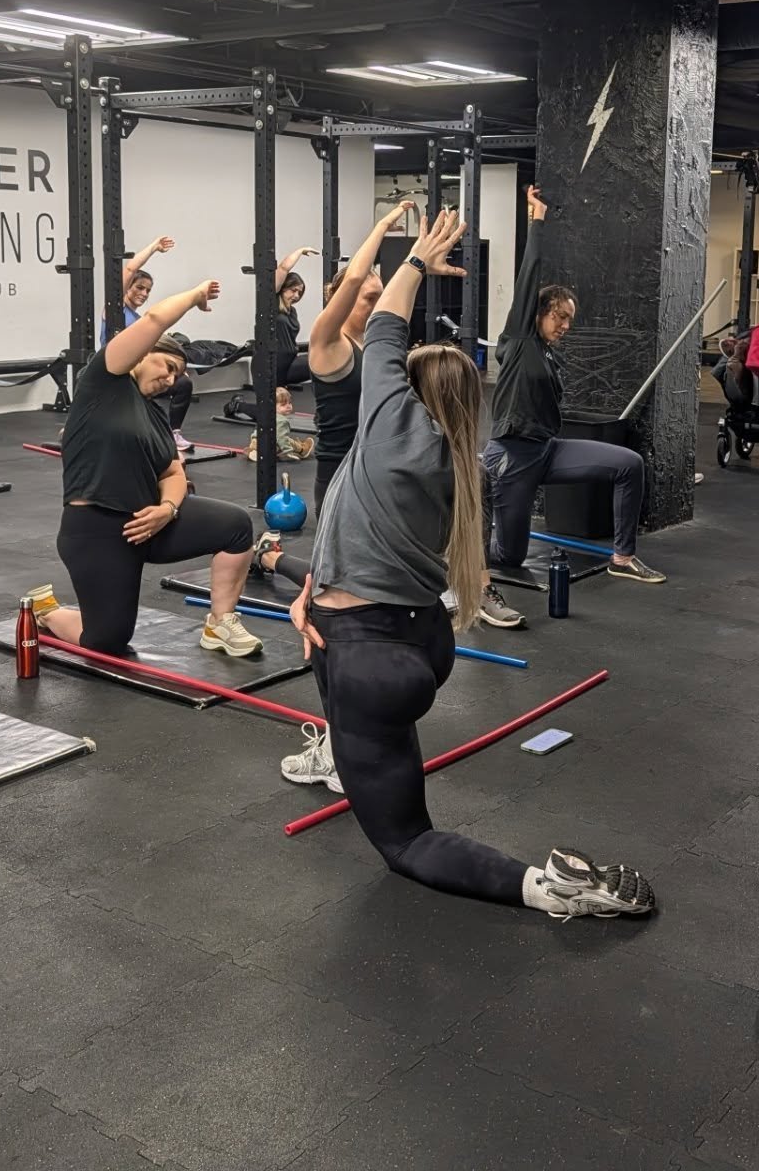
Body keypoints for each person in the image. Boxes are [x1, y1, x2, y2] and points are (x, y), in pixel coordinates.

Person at [281, 209, 654, 919]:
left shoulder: (390, 428)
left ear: (406, 395)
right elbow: (352, 528)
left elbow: (385, 326)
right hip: (419, 640)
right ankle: (341, 751)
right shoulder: (462, 462)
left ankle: (551, 891)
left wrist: (415, 261)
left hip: (365, 655)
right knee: (372, 742)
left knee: (408, 844)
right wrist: (312, 589)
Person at [252, 203, 525, 629]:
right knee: (339, 583)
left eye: (382, 296)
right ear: (337, 299)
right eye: (369, 297)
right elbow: (356, 278)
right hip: (346, 479)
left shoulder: (374, 352)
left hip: (389, 469)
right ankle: (272, 557)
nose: (378, 299)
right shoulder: (329, 344)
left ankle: (473, 587)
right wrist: (385, 228)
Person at [25, 277, 264, 659]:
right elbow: (153, 318)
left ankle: (220, 623)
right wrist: (193, 296)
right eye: (168, 366)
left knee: (236, 526)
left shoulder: (154, 412)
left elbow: (173, 473)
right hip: (98, 531)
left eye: (177, 376)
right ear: (143, 352)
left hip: (150, 523)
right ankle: (48, 613)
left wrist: (166, 510)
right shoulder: (103, 382)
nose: (170, 379)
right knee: (108, 639)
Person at [482, 185, 664, 584]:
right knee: (508, 557)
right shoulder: (519, 341)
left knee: (629, 465)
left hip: (547, 451)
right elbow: (529, 275)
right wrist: (538, 221)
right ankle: (460, 547)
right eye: (560, 317)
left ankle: (623, 557)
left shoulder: (548, 353)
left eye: (569, 319)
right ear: (539, 312)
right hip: (511, 457)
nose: (566, 326)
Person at [99, 235, 194, 453]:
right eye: (139, 287)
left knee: (184, 384)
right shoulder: (114, 310)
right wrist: (153, 248)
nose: (144, 293)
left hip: (138, 373)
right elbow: (129, 269)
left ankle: (173, 432)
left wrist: (176, 370)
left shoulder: (139, 319)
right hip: (115, 375)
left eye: (148, 290)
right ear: (127, 288)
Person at [274, 245, 318, 389]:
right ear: (283, 288)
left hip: (290, 364)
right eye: (293, 290)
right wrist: (300, 251)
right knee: (318, 361)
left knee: (321, 360)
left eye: (299, 293)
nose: (296, 296)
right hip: (273, 367)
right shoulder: (271, 304)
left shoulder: (291, 312)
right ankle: (238, 406)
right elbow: (283, 269)